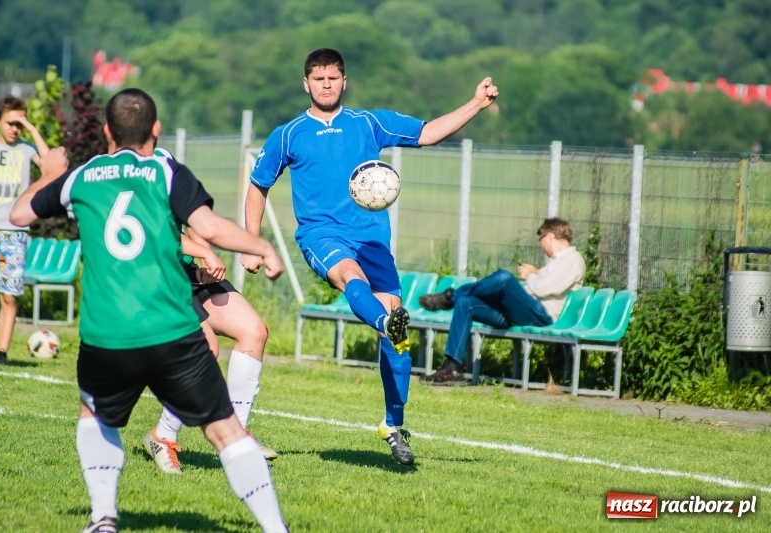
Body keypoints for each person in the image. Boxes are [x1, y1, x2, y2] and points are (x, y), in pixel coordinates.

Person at [9, 88, 288, 533]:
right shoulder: (164, 171)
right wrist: (264, 247)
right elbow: (211, 228)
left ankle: (103, 518)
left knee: (95, 417)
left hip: (108, 335)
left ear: (106, 132)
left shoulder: (82, 176)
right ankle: (276, 528)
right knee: (226, 433)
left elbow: (20, 214)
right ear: (155, 131)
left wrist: (50, 173)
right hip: (171, 330)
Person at [243, 48, 498, 466]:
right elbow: (258, 185)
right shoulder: (288, 135)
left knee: (397, 343)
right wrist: (252, 242)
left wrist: (476, 103)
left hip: (373, 240)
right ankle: (383, 319)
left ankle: (392, 426)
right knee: (348, 277)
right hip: (321, 235)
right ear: (306, 84)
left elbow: (429, 132)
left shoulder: (368, 123)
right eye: (318, 79)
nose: (326, 84)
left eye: (333, 78)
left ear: (344, 82)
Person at [142, 148, 278, 474]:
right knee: (206, 349)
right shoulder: (135, 188)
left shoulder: (175, 178)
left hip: (190, 277)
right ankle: (163, 435)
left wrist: (203, 259)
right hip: (161, 281)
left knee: (254, 331)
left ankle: (238, 438)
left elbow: (196, 226)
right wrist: (204, 251)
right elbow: (161, 237)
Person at [420, 217, 586, 385]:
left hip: (542, 315)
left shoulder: (572, 259)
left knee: (504, 278)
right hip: (520, 312)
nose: (541, 245)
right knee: (466, 303)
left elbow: (542, 289)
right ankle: (452, 368)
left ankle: (451, 297)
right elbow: (538, 285)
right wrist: (534, 275)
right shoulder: (556, 263)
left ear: (549, 236)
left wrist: (530, 275)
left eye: (541, 240)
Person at [0, 96, 49, 365]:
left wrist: (32, 129)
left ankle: (2, 353)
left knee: (10, 294)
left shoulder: (27, 150)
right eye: (9, 123)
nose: (14, 128)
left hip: (15, 232)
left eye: (19, 123)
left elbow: (50, 164)